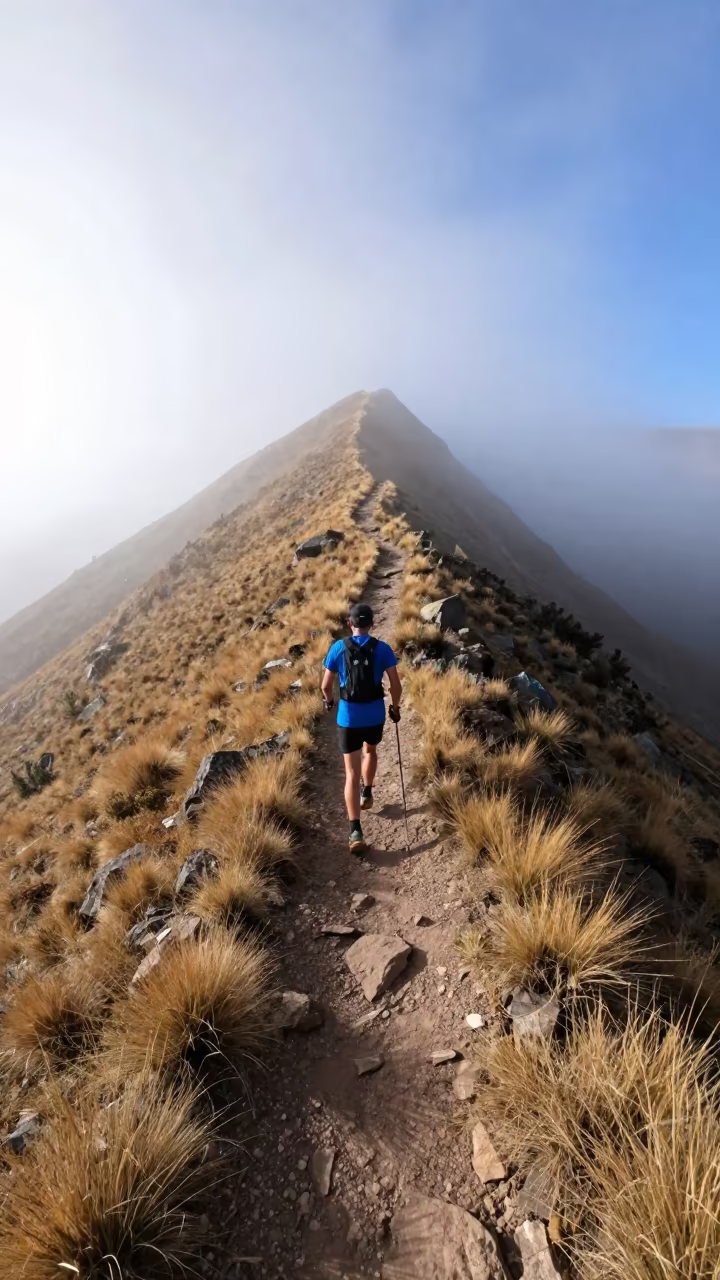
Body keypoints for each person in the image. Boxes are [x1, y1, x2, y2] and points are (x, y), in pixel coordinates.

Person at [321, 602, 402, 855]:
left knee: (350, 774)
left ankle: (355, 830)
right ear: (372, 624)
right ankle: (368, 792)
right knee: (371, 751)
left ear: (350, 624)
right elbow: (395, 686)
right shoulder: (383, 649)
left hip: (348, 718)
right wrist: (395, 707)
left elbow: (325, 686)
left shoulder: (337, 648)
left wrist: (330, 702)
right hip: (375, 714)